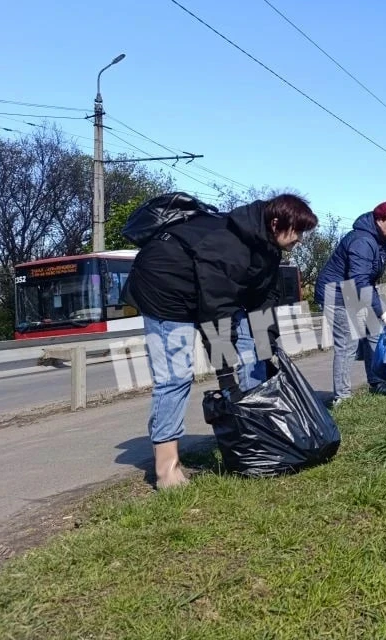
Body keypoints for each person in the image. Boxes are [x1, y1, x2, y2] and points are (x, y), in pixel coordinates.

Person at [124, 193, 319, 489]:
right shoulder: (229, 245)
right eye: (298, 231)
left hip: (204, 291)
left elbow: (262, 301)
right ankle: (167, 468)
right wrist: (226, 376)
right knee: (175, 376)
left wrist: (266, 349)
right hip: (164, 289)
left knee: (253, 352)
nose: (301, 239)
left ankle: (256, 431)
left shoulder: (267, 248)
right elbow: (217, 312)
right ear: (276, 223)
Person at [315, 201, 386, 401]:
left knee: (374, 334)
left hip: (355, 292)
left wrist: (380, 308)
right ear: (379, 220)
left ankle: (377, 384)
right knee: (347, 344)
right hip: (337, 294)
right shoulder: (363, 241)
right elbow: (359, 280)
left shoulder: (379, 242)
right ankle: (342, 397)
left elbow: (365, 281)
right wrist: (384, 311)